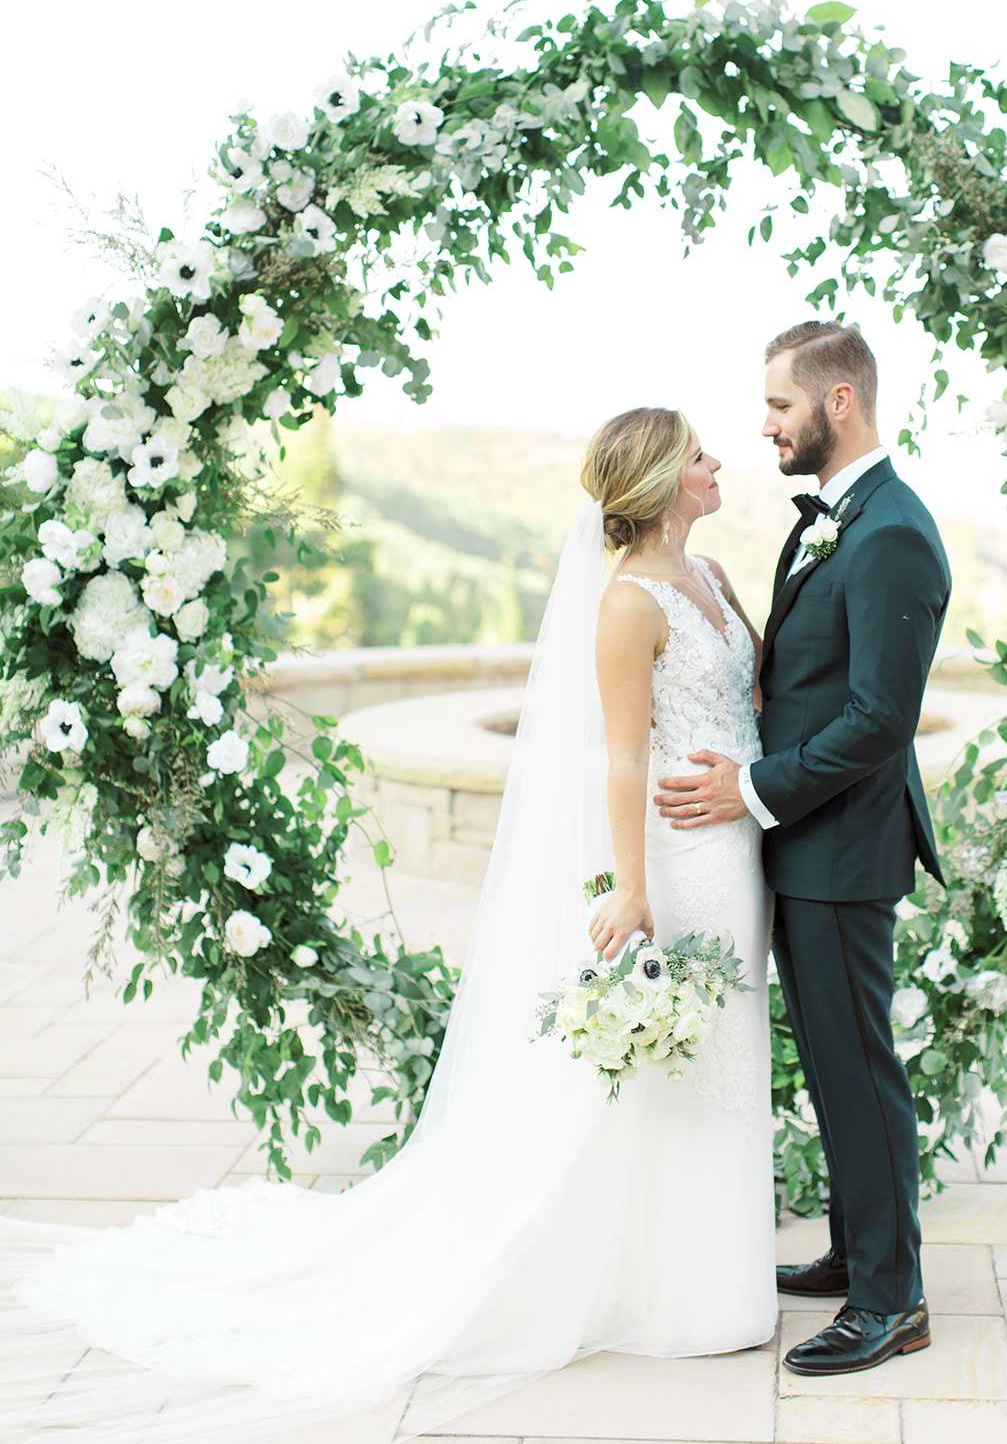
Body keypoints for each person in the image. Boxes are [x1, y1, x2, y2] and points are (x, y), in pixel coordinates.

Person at [0, 408, 776, 1444]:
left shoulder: (716, 577)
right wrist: (630, 888)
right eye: (698, 453)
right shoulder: (626, 604)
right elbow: (623, 758)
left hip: (737, 852)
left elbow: (751, 695)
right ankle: (674, 1291)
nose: (716, 460)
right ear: (656, 479)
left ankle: (708, 1271)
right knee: (673, 1063)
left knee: (727, 1054)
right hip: (675, 860)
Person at [654, 321, 951, 1377]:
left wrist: (749, 787)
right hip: (807, 844)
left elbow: (878, 718)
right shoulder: (830, 521)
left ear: (837, 403)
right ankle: (857, 1248)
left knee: (859, 1070)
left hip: (843, 848)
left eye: (778, 407)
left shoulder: (892, 535)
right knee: (832, 1067)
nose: (764, 426)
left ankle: (891, 1299)